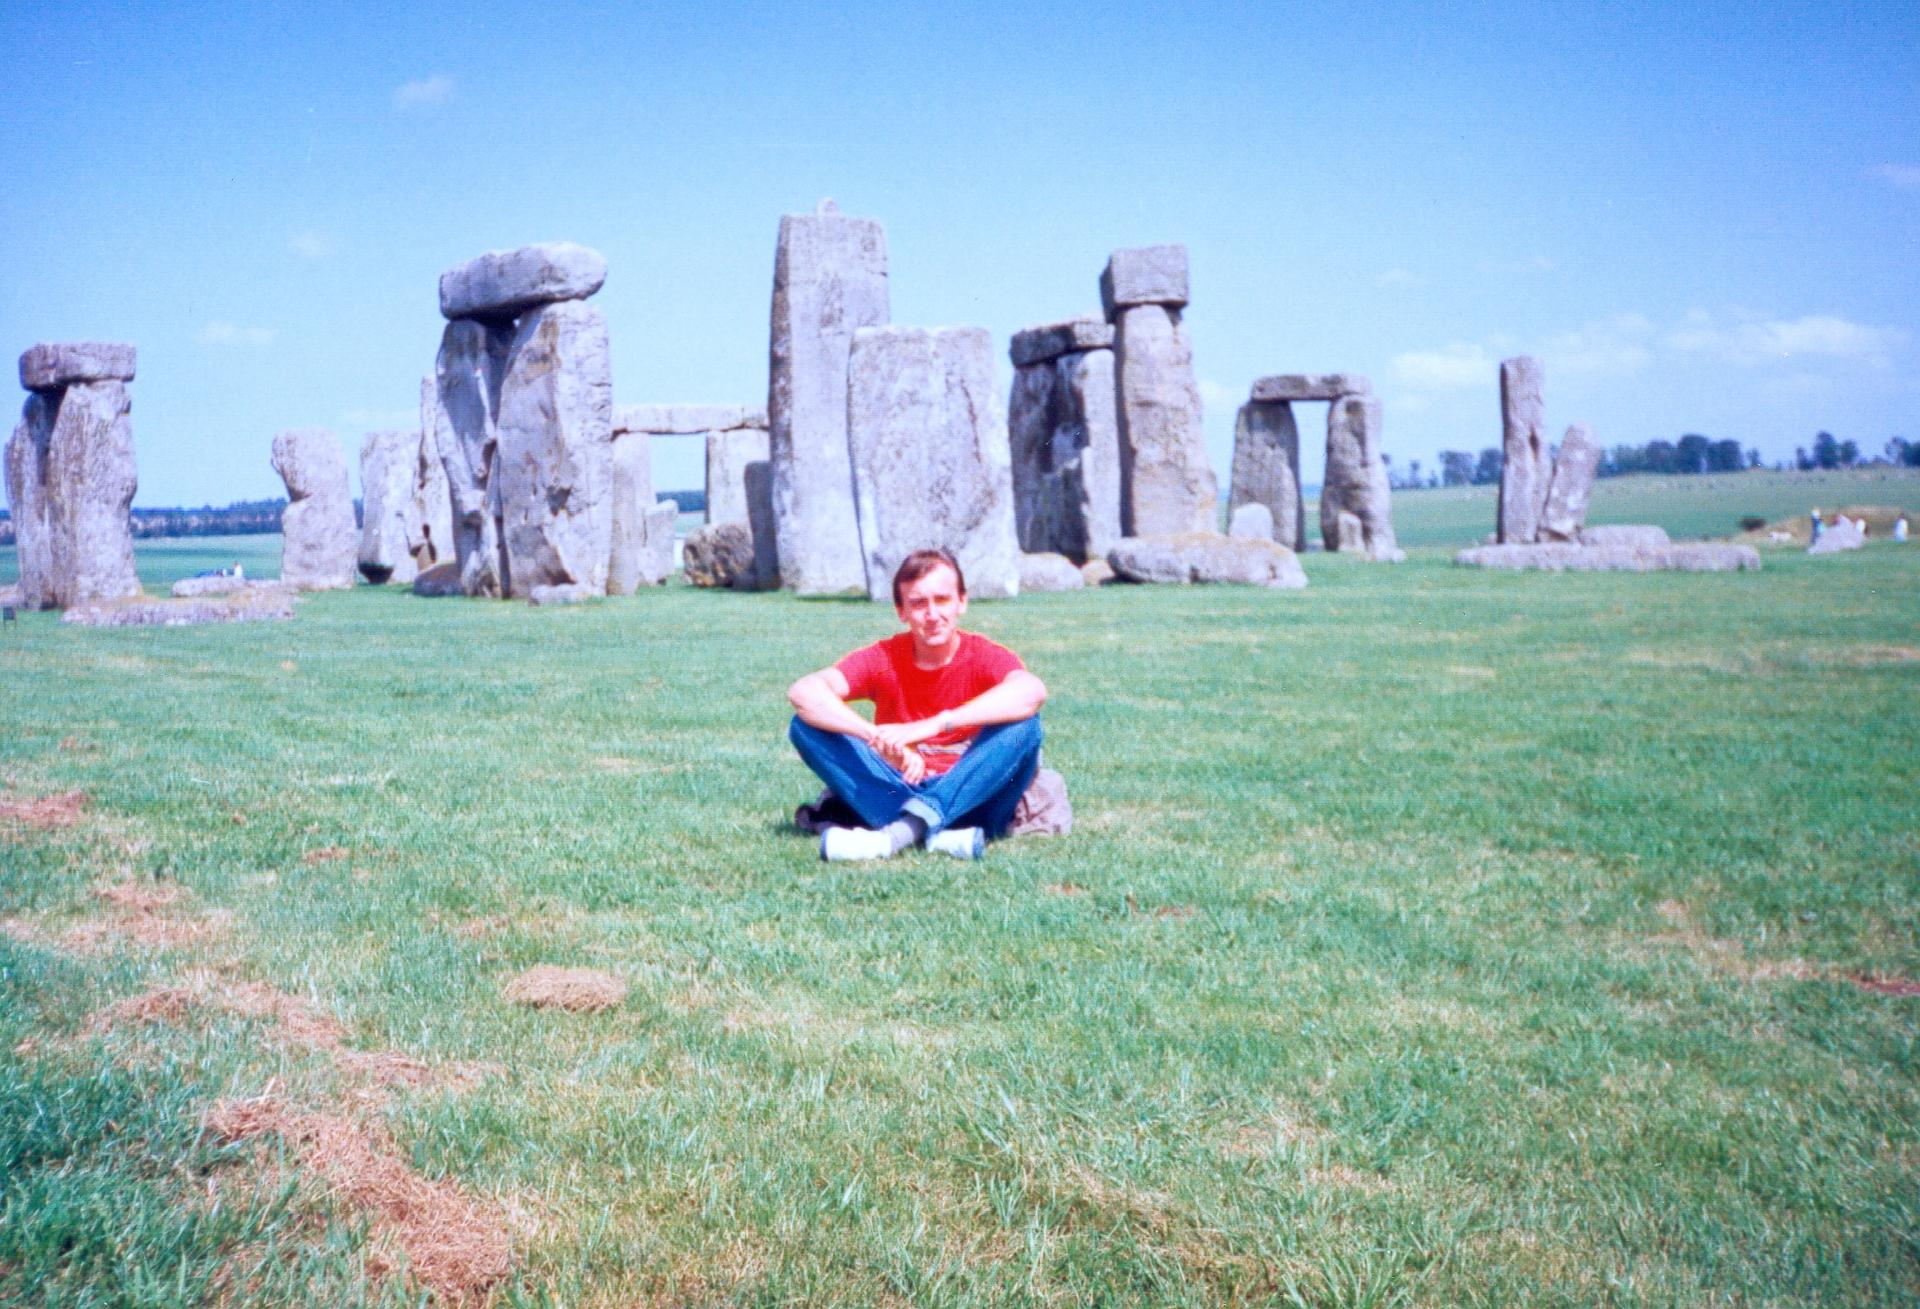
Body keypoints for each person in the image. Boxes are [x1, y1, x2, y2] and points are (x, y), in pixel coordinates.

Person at [787, 547, 1047, 861]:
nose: (933, 615)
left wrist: (931, 725)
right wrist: (875, 736)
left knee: (1026, 726)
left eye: (942, 600)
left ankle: (897, 836)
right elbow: (805, 692)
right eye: (919, 603)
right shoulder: (884, 658)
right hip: (894, 791)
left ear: (961, 602)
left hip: (974, 797)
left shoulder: (984, 656)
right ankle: (934, 835)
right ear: (901, 611)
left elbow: (1031, 691)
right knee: (805, 726)